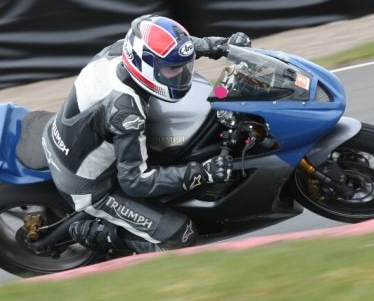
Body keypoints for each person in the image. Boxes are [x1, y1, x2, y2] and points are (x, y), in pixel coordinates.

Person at [41, 14, 251, 255]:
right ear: (145, 66)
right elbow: (134, 182)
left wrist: (219, 45)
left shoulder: (119, 52)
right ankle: (90, 232)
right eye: (172, 69)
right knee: (180, 236)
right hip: (91, 185)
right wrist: (203, 172)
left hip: (73, 140)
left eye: (183, 66)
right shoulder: (126, 113)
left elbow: (174, 49)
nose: (182, 74)